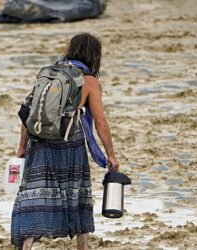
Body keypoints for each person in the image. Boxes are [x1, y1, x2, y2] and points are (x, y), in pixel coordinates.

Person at [11, 33, 119, 250]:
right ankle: (82, 246)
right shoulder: (89, 81)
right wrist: (110, 154)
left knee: (36, 192)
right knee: (77, 191)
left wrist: (22, 146)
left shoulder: (49, 73)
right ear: (94, 55)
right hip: (71, 142)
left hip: (39, 140)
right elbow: (100, 121)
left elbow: (30, 112)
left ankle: (27, 245)